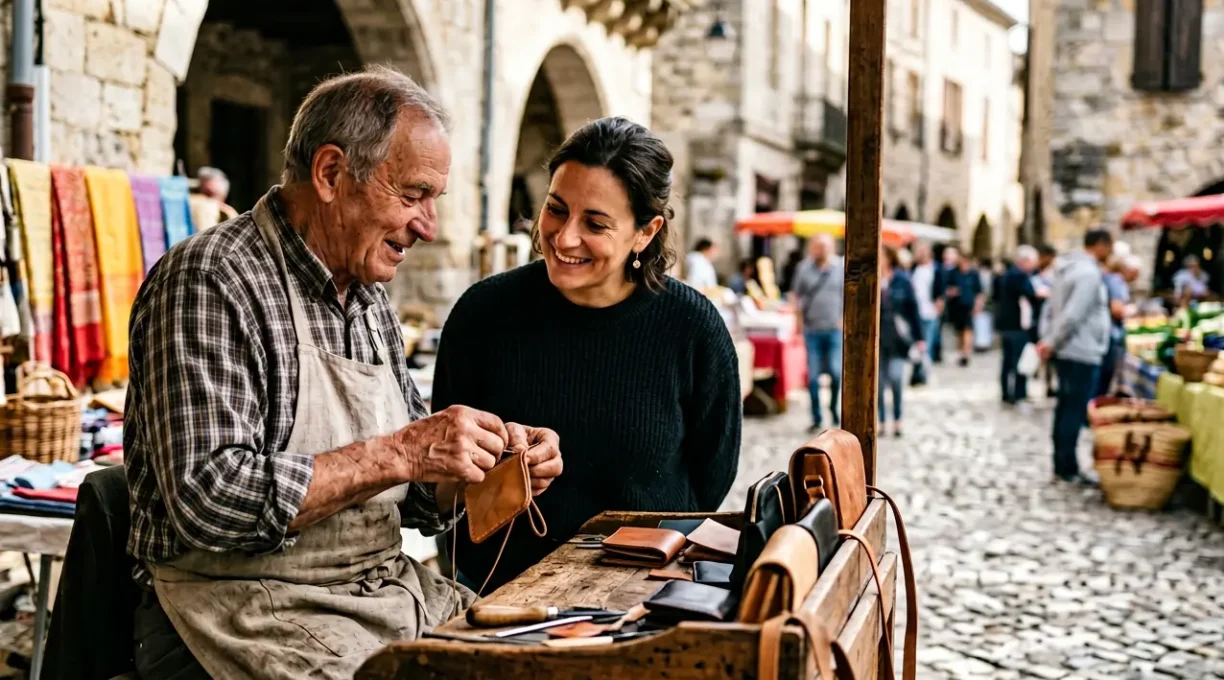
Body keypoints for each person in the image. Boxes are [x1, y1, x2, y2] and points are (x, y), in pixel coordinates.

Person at [124, 67, 564, 680]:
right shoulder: (211, 280)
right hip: (238, 610)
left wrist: (481, 466)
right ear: (330, 174)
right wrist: (403, 451)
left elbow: (413, 498)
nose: (428, 226)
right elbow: (208, 498)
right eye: (412, 194)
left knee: (544, 661)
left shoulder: (366, 297)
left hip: (375, 594)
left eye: (434, 200)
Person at [430, 117, 742, 592]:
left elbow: (711, 476)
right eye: (556, 209)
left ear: (645, 232)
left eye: (595, 223)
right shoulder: (482, 314)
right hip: (496, 594)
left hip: (643, 592)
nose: (564, 237)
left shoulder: (693, 328)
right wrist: (499, 464)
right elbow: (440, 477)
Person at [1039, 229, 1113, 485]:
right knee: (1072, 409)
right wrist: (1051, 342)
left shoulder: (1067, 270)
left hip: (1069, 349)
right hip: (1081, 350)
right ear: (1100, 245)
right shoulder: (1088, 274)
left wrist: (1049, 339)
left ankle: (1062, 463)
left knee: (1065, 407)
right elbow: (1073, 314)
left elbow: (1051, 310)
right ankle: (1067, 466)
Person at [794, 233, 846, 431]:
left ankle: (833, 408)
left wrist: (843, 319)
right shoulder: (804, 268)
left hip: (834, 329)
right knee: (813, 377)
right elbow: (797, 296)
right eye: (818, 246)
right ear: (812, 248)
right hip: (812, 329)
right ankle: (816, 416)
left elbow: (847, 295)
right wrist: (799, 323)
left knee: (835, 372)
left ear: (832, 248)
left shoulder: (840, 268)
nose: (821, 250)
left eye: (825, 246)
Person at [878, 246, 923, 436]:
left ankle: (898, 419)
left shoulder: (902, 279)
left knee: (896, 379)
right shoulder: (871, 279)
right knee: (878, 384)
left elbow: (913, 309)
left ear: (889, 258)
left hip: (898, 339)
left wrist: (920, 337)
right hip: (877, 339)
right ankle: (880, 421)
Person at [996, 245, 1039, 405]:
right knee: (1019, 360)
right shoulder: (1020, 276)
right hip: (1016, 325)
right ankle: (1018, 393)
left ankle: (1007, 392)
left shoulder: (1008, 274)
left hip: (1007, 324)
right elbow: (1030, 294)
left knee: (1008, 361)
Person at [1097, 254, 1140, 398]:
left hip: (1107, 333)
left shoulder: (1109, 279)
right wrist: (1131, 310)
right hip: (1111, 334)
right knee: (1104, 376)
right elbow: (1117, 309)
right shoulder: (1116, 281)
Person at [909, 242, 944, 386]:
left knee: (927, 344)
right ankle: (917, 371)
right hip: (915, 312)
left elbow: (940, 290)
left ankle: (924, 373)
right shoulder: (914, 269)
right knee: (916, 345)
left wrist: (938, 307)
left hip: (929, 312)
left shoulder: (935, 269)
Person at [945, 248, 984, 367]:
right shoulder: (953, 273)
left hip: (969, 306)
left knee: (968, 330)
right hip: (956, 305)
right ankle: (961, 352)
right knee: (959, 331)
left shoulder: (973, 274)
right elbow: (946, 288)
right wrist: (951, 292)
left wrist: (978, 305)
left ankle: (966, 354)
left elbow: (979, 291)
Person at [1031, 244, 1057, 397]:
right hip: (1039, 318)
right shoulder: (1035, 273)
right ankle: (1045, 380)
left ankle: (1050, 383)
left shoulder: (1055, 274)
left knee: (1050, 354)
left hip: (1050, 319)